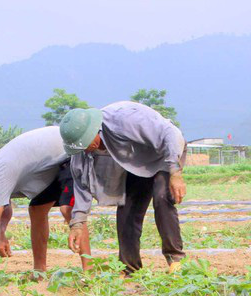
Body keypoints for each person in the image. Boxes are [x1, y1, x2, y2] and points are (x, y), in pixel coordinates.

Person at [60, 101, 187, 273]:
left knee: (162, 197)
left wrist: (175, 172)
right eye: (81, 146)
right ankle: (129, 268)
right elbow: (82, 187)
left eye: (87, 142)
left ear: (94, 130)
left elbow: (170, 133)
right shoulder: (82, 152)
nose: (86, 149)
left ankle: (175, 260)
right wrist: (77, 223)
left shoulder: (124, 119)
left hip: (165, 154)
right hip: (136, 164)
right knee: (127, 210)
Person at [0, 126, 91, 275]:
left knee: (68, 210)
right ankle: (39, 271)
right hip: (51, 166)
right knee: (36, 210)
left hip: (71, 153)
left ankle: (89, 271)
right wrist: (1, 233)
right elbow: (5, 206)